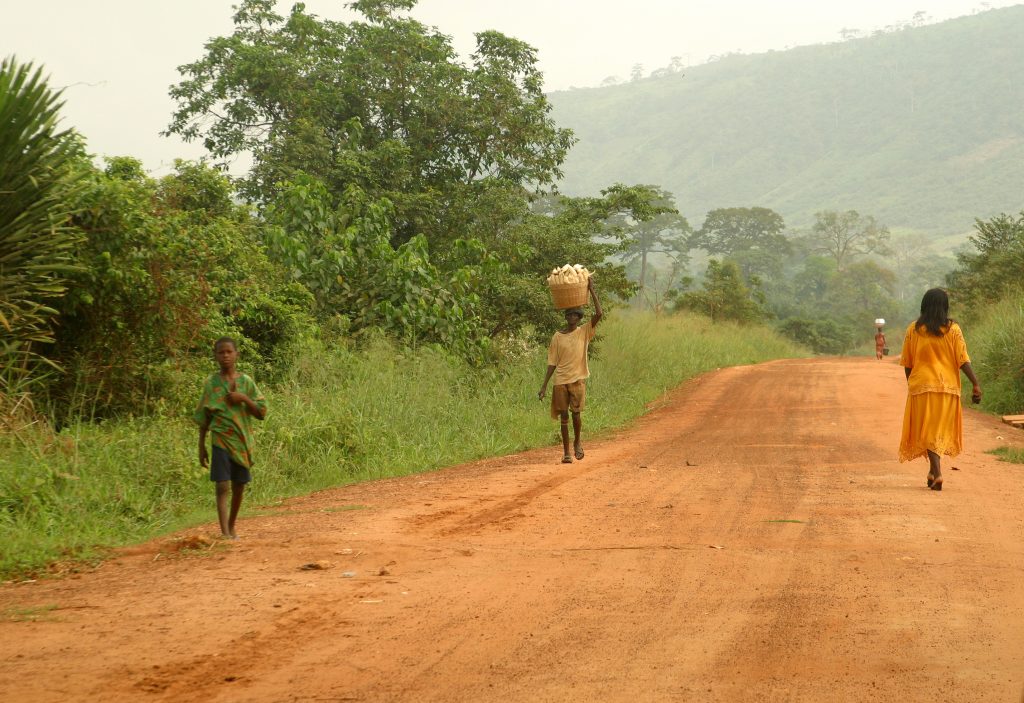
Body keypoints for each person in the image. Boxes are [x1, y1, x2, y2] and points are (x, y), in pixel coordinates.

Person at [898, 289, 982, 491]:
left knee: (927, 429)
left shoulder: (914, 329)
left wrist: (912, 384)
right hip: (947, 388)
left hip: (921, 387)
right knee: (937, 430)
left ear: (924, 306)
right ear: (945, 307)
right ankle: (933, 472)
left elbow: (908, 363)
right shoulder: (953, 330)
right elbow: (963, 360)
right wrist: (975, 383)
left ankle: (938, 473)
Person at [194, 337, 268, 538]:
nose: (225, 356)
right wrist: (201, 446)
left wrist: (242, 398)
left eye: (229, 352)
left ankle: (232, 524)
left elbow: (261, 413)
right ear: (215, 356)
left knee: (239, 486)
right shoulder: (211, 384)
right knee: (222, 485)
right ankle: (225, 533)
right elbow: (204, 418)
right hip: (220, 440)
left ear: (237, 355)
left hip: (242, 442)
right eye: (221, 352)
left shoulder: (246, 383)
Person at [538, 278, 603, 463]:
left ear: (579, 318)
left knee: (576, 414)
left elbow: (599, 313)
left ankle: (577, 443)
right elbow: (552, 362)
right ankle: (566, 452)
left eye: (575, 315)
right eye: (569, 315)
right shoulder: (557, 336)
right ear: (566, 317)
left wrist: (591, 290)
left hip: (577, 379)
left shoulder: (584, 332)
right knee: (564, 417)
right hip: (560, 381)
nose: (572, 318)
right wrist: (544, 386)